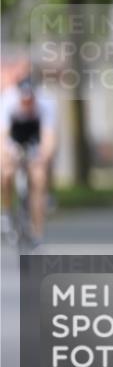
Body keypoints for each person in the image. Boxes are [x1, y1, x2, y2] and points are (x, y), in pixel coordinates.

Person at [1, 77, 58, 244]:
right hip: (13, 139)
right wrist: (7, 156)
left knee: (39, 178)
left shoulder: (46, 103)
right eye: (24, 101)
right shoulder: (7, 101)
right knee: (5, 173)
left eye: (30, 100)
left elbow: (49, 138)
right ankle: (7, 211)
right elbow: (2, 137)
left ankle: (37, 232)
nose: (27, 104)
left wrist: (42, 157)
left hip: (35, 140)